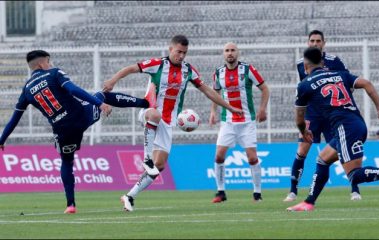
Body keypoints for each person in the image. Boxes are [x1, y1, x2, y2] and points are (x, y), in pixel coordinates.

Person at [102, 35, 243, 212]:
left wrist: (229, 107)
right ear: (170, 49)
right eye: (178, 52)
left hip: (167, 123)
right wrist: (113, 80)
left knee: (160, 165)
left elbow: (207, 90)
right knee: (154, 115)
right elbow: (131, 68)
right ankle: (146, 159)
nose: (181, 56)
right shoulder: (158, 64)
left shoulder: (188, 70)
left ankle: (129, 196)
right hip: (149, 113)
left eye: (184, 53)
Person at [0, 50, 150, 214]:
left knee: (67, 162)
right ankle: (146, 103)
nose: (50, 64)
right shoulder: (54, 73)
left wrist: (2, 139)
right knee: (103, 95)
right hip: (80, 117)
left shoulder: (27, 90)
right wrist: (98, 103)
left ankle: (70, 205)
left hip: (62, 130)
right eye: (49, 62)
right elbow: (73, 90)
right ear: (43, 63)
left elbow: (14, 118)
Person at [286, 47, 379, 212]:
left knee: (354, 175)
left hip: (345, 127)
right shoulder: (339, 74)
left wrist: (304, 131)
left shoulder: (304, 85)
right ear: (323, 63)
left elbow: (299, 118)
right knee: (322, 159)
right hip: (356, 123)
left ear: (305, 65)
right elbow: (366, 83)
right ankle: (309, 202)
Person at [284, 30, 363, 202]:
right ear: (308, 43)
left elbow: (348, 84)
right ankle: (292, 191)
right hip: (312, 114)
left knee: (340, 149)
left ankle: (354, 189)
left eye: (318, 40)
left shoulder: (334, 61)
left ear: (324, 43)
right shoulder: (301, 63)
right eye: (312, 40)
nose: (315, 43)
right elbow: (304, 89)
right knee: (302, 150)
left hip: (331, 114)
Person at [209, 42, 269, 203]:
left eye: (233, 50)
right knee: (219, 155)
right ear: (223, 54)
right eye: (227, 50)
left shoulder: (248, 70)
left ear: (238, 53)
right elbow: (215, 93)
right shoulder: (218, 73)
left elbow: (265, 89)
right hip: (227, 122)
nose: (230, 53)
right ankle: (220, 192)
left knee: (252, 158)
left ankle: (257, 193)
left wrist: (262, 109)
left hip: (247, 122)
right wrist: (213, 112)